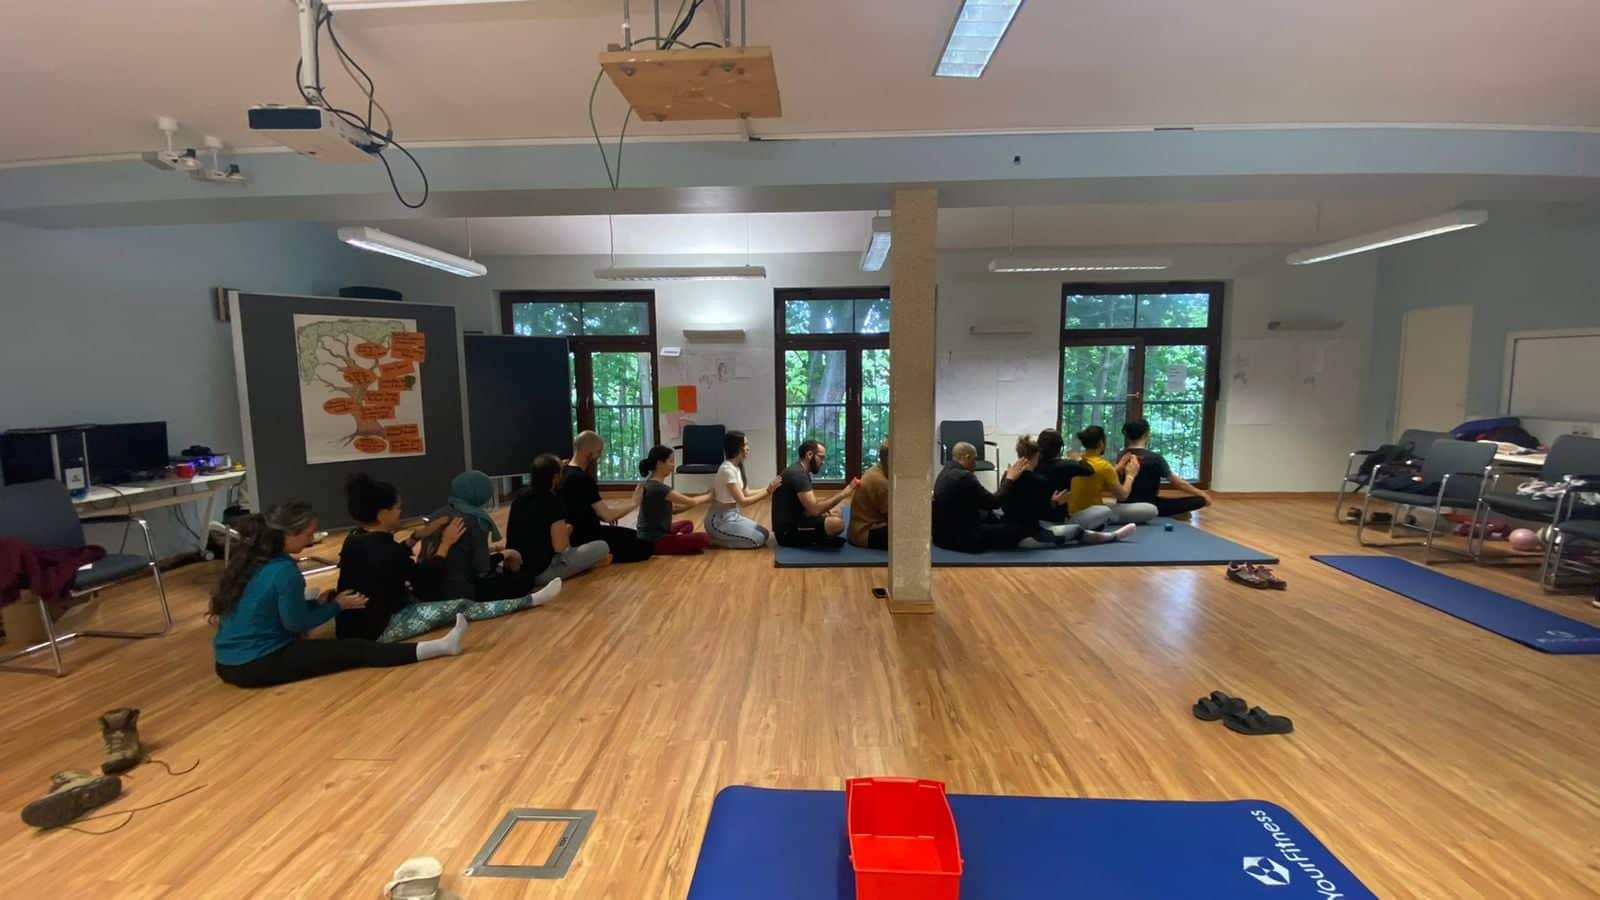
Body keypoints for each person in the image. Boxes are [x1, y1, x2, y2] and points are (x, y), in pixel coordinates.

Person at [211, 501, 467, 689]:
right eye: (308, 534)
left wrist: (318, 604)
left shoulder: (250, 561)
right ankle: (441, 646)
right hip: (256, 665)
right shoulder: (284, 571)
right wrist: (338, 606)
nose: (311, 540)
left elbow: (268, 609)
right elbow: (295, 624)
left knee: (318, 616)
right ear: (288, 534)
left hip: (225, 665)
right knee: (357, 650)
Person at [339, 474, 562, 643]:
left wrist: (416, 537)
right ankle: (529, 600)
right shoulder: (386, 549)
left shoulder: (354, 538)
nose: (400, 512)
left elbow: (391, 556)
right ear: (382, 514)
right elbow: (424, 579)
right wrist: (445, 544)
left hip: (351, 623)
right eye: (397, 508)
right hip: (379, 627)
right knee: (462, 606)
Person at [426, 470, 549, 602]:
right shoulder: (476, 520)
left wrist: (493, 551)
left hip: (433, 589)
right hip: (465, 592)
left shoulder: (436, 515)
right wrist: (505, 554)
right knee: (525, 579)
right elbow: (482, 570)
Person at [932, 442, 1065, 554]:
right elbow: (994, 503)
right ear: (967, 457)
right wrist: (1009, 479)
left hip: (941, 536)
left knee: (991, 516)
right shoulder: (965, 477)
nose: (976, 464)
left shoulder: (945, 472)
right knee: (1019, 530)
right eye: (975, 459)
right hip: (963, 538)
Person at [1004, 436, 1135, 545]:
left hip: (1011, 529)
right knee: (1076, 530)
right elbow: (1038, 512)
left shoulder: (1008, 476)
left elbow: (1006, 504)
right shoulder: (1041, 479)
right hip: (1030, 534)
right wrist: (1055, 502)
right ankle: (1112, 536)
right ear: (1037, 455)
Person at [507, 454, 614, 584]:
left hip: (518, 568)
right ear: (555, 477)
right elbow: (560, 547)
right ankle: (589, 565)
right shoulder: (553, 502)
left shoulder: (519, 497)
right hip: (542, 572)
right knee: (602, 546)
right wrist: (567, 529)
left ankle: (588, 564)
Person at [560, 431, 655, 563]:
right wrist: (634, 503)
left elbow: (576, 507)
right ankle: (600, 558)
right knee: (646, 545)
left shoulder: (563, 472)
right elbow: (608, 516)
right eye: (598, 452)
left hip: (572, 535)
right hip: (588, 536)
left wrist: (600, 515)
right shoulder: (582, 478)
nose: (600, 456)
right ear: (588, 452)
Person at [1116, 418, 1213, 519]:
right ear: (1147, 434)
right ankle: (1172, 513)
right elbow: (1177, 483)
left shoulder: (1121, 456)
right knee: (1200, 500)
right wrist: (1202, 493)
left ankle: (1173, 514)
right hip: (1150, 506)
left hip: (1124, 505)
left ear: (1126, 435)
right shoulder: (1155, 458)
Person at [771, 439, 856, 548]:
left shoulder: (799, 469)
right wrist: (844, 493)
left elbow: (807, 506)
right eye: (821, 457)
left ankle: (819, 537)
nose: (823, 462)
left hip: (797, 518)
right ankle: (818, 540)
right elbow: (815, 510)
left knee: (836, 511)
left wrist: (827, 512)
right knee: (837, 525)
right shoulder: (799, 475)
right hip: (787, 534)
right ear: (809, 455)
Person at [705, 430, 780, 549]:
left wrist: (770, 488)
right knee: (758, 540)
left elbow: (747, 493)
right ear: (736, 448)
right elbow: (743, 502)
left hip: (732, 515)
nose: (748, 448)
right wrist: (768, 491)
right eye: (745, 445)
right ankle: (714, 540)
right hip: (718, 520)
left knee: (765, 534)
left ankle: (721, 537)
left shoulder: (737, 467)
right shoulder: (727, 470)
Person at [636, 445, 713, 555]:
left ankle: (679, 543)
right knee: (705, 538)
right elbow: (691, 501)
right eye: (671, 461)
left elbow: (674, 508)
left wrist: (703, 497)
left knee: (687, 524)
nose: (673, 465)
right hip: (654, 541)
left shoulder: (650, 483)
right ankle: (678, 544)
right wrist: (709, 496)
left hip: (651, 535)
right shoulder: (659, 488)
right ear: (659, 464)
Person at [1064, 425, 1145, 527]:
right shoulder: (1103, 466)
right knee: (1150, 509)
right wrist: (1130, 475)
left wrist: (1118, 466)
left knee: (1108, 505)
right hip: (1087, 516)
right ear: (1101, 443)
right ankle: (1106, 519)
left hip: (1069, 514)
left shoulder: (1076, 460)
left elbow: (1096, 474)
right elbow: (1123, 495)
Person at [848, 441, 891, 550]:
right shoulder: (881, 483)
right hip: (865, 534)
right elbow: (893, 518)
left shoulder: (875, 470)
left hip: (855, 530)